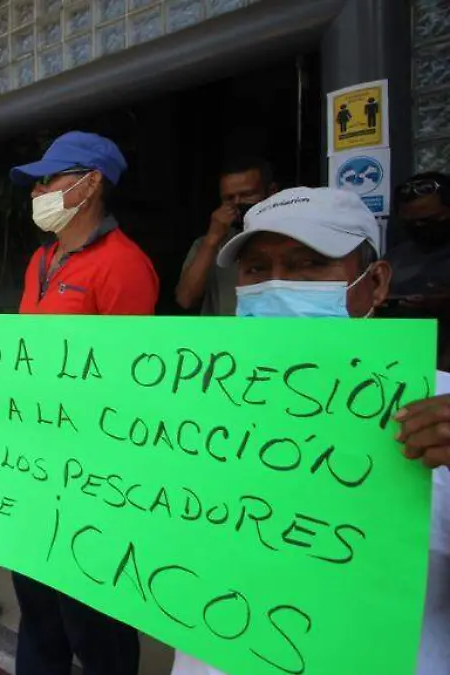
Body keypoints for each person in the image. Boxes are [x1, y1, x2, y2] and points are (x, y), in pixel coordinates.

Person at [171, 186, 448, 674]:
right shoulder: (189, 403)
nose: (277, 286)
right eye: (257, 270)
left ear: (376, 282)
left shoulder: (439, 413)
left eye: (310, 265)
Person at [0, 131, 156, 673]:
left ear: (92, 183)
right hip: (32, 475)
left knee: (95, 625)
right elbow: (23, 360)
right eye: (35, 182)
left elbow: (130, 391)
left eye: (49, 179)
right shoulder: (41, 260)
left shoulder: (124, 265)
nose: (37, 192)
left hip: (91, 483)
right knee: (38, 614)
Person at [176, 157, 277, 315]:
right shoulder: (208, 244)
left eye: (247, 194)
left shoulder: (290, 239)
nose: (237, 203)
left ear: (271, 192)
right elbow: (185, 299)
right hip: (224, 331)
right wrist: (212, 240)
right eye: (229, 198)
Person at [386, 173, 450, 369]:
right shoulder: (395, 256)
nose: (419, 227)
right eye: (410, 223)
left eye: (428, 220)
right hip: (402, 360)